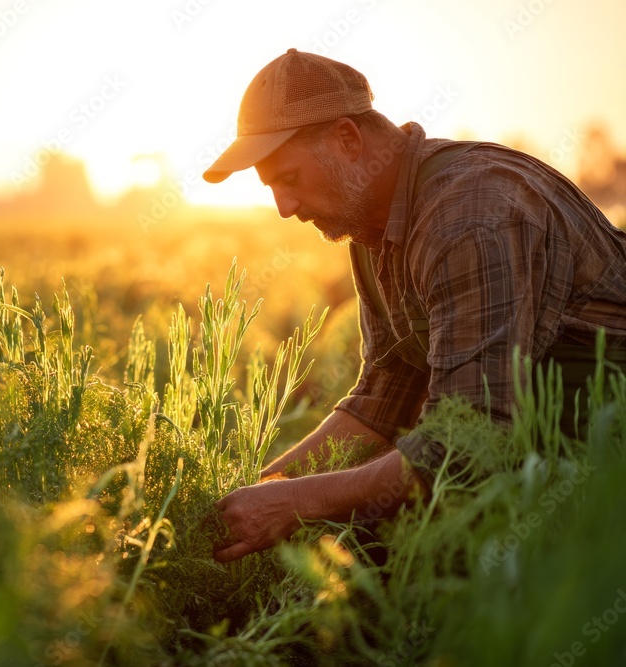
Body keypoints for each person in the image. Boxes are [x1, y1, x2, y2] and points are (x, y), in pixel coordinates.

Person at [202, 48, 626, 563]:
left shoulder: (470, 215)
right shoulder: (368, 226)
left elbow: (467, 442)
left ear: (348, 140)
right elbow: (383, 402)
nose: (284, 208)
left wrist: (295, 502)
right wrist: (256, 493)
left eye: (289, 179)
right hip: (537, 453)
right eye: (271, 188)